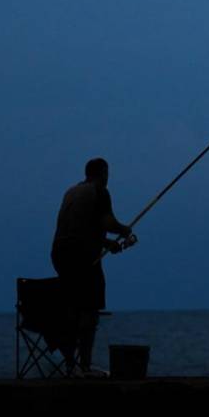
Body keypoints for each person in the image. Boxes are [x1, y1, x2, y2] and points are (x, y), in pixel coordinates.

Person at [51, 157, 134, 375]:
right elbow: (107, 223)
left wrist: (106, 244)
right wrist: (124, 230)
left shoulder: (71, 192)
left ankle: (70, 361)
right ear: (102, 173)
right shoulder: (100, 191)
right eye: (107, 174)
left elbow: (79, 228)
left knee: (73, 307)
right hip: (81, 255)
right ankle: (84, 365)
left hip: (60, 254)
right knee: (90, 307)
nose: (108, 179)